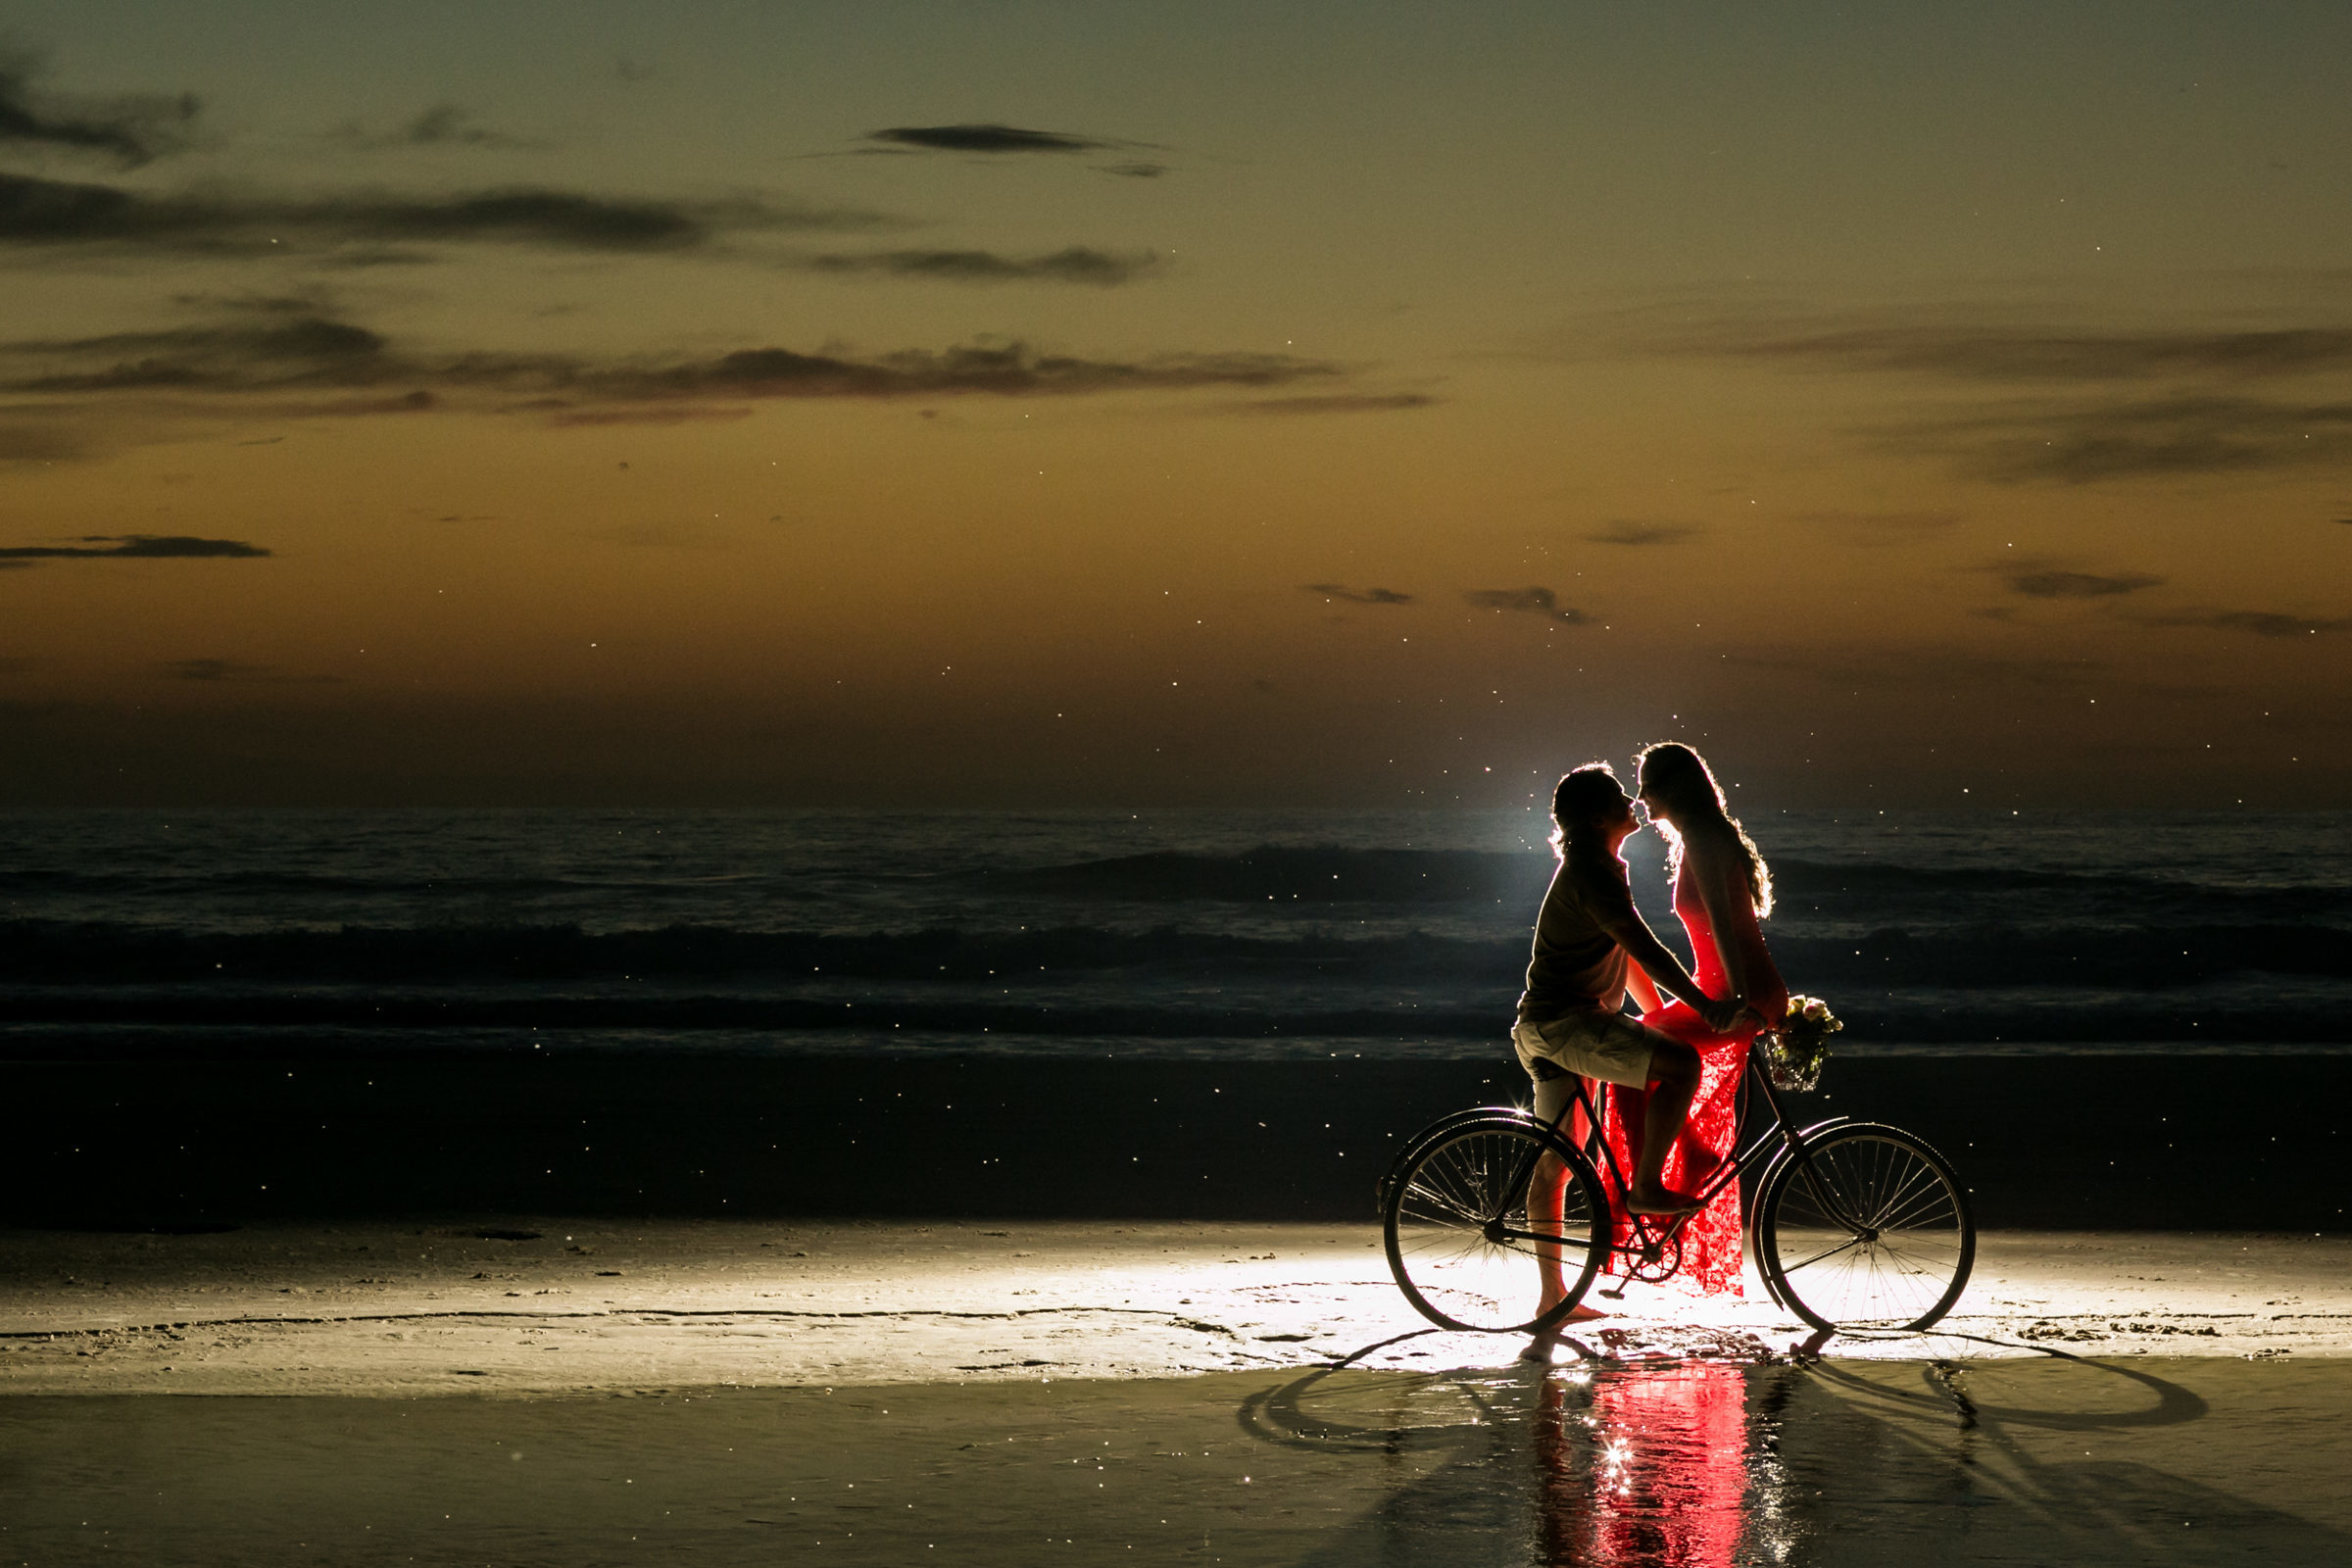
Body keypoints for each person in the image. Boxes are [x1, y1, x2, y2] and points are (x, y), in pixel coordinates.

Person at [1516, 763, 1751, 1316]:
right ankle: (1645, 1187)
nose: (1631, 799)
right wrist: (1706, 1008)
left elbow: (1624, 959)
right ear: (1598, 816)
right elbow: (1647, 951)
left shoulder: (1599, 867)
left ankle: (1554, 1299)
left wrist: (1657, 1016)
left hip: (1556, 1027)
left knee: (1556, 1165)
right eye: (1619, 795)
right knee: (1681, 1066)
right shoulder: (1592, 872)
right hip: (1564, 1026)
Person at [1602, 741, 1791, 1298]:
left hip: (1741, 991)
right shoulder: (1697, 840)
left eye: (1648, 786)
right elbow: (1713, 938)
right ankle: (1672, 1173)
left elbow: (1729, 937)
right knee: (1641, 1052)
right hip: (1721, 989)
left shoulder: (1706, 840)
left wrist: (1732, 998)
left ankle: (1650, 1185)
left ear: (1673, 790)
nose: (1640, 798)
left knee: (1636, 1059)